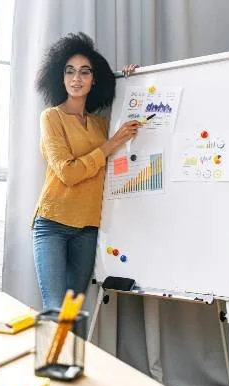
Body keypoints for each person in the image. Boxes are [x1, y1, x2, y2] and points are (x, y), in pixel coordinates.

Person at [33, 32, 140, 309]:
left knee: (72, 310)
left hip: (88, 227)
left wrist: (132, 81)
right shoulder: (51, 118)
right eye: (69, 71)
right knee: (56, 309)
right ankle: (54, 355)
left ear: (95, 80)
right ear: (61, 76)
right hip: (52, 224)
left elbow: (129, 130)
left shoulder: (101, 125)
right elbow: (68, 173)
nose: (76, 78)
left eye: (84, 72)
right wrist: (111, 144)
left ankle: (66, 355)